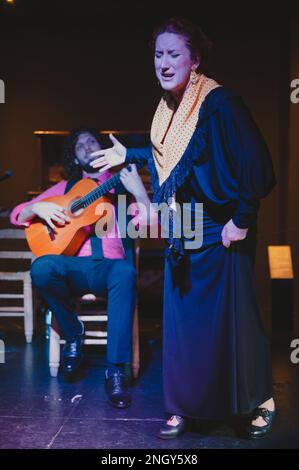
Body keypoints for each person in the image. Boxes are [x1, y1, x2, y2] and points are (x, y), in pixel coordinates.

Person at [90, 18, 277, 438]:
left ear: (195, 60)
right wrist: (132, 153)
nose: (164, 62)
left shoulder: (219, 102)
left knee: (236, 320)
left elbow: (258, 165)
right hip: (185, 223)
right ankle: (183, 405)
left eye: (174, 54)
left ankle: (258, 402)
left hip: (222, 224)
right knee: (183, 322)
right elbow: (181, 156)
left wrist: (241, 219)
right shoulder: (167, 111)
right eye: (159, 54)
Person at [10, 127, 153, 410]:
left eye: (92, 141)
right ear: (74, 158)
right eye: (80, 145)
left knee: (125, 272)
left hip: (108, 268)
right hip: (71, 268)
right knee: (41, 267)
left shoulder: (121, 184)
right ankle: (73, 332)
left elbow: (149, 226)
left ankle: (115, 370)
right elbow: (18, 214)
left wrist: (141, 194)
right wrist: (36, 210)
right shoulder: (63, 189)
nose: (87, 147)